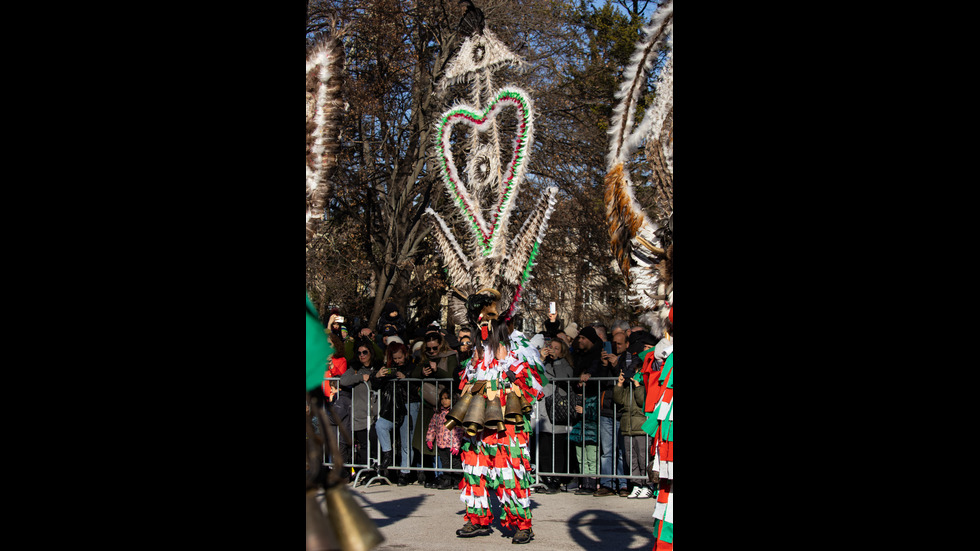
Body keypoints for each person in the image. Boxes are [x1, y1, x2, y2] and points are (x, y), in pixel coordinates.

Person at [453, 292, 546, 545]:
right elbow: (465, 381)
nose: (482, 323)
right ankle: (477, 519)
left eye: (487, 318)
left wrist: (511, 368)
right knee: (474, 466)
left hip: (507, 421)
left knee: (510, 469)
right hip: (477, 420)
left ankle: (522, 524)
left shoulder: (518, 347)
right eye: (478, 319)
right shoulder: (476, 350)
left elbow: (535, 386)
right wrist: (470, 374)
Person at [410, 331, 458, 488]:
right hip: (428, 405)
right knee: (426, 441)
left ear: (441, 345)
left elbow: (452, 376)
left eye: (434, 348)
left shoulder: (449, 356)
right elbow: (413, 375)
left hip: (444, 404)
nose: (431, 351)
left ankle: (446, 476)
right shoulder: (424, 357)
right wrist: (423, 372)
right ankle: (430, 476)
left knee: (445, 442)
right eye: (428, 348)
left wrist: (437, 370)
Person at [613, 330, 656, 499]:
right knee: (630, 457)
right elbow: (619, 400)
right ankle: (636, 484)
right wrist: (619, 384)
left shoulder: (642, 383)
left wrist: (638, 386)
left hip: (640, 424)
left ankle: (647, 484)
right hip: (627, 424)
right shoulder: (627, 384)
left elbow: (642, 401)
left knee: (643, 456)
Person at [537, 337, 574, 493]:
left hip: (558, 409)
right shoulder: (543, 364)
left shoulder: (565, 364)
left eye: (556, 348)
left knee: (557, 447)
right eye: (550, 347)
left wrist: (557, 360)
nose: (552, 350)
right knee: (544, 446)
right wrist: (540, 359)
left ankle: (556, 478)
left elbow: (565, 378)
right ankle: (546, 477)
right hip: (544, 410)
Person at [338, 338, 382, 470]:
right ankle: (365, 471)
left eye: (365, 352)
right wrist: (360, 378)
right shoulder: (355, 369)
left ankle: (378, 471)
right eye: (359, 353)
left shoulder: (378, 367)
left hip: (376, 414)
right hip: (360, 415)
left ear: (371, 353)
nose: (362, 355)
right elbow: (343, 380)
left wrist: (377, 376)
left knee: (375, 444)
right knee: (364, 445)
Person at [596, 329, 628, 496]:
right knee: (607, 451)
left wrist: (616, 365)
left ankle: (623, 484)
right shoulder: (605, 359)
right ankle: (607, 484)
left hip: (622, 410)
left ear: (626, 344)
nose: (616, 347)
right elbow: (598, 379)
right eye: (613, 343)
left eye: (619, 344)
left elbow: (626, 378)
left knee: (622, 450)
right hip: (606, 409)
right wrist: (604, 364)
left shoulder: (629, 358)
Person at [374, 342, 409, 480]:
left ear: (405, 355)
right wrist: (377, 375)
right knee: (380, 425)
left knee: (406, 440)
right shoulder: (388, 368)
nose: (397, 361)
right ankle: (387, 454)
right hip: (391, 406)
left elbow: (416, 384)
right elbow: (376, 385)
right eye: (395, 358)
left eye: (400, 357)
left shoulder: (411, 366)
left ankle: (405, 473)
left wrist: (406, 378)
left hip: (408, 403)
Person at [426, 388, 465, 490]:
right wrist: (429, 439)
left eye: (447, 398)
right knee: (445, 463)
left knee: (456, 463)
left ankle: (457, 480)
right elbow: (432, 426)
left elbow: (459, 431)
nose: (444, 401)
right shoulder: (438, 413)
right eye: (442, 399)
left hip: (452, 444)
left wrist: (456, 446)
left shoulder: (456, 413)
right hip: (441, 443)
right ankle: (447, 480)